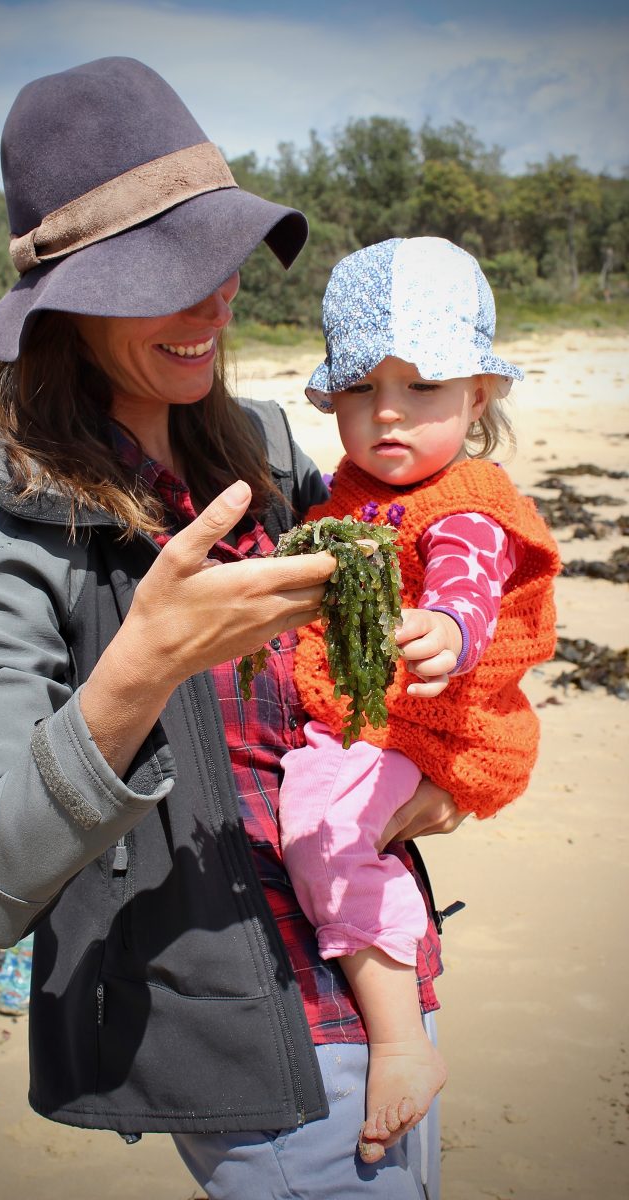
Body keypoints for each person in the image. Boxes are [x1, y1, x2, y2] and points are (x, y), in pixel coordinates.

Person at [0, 58, 453, 1199]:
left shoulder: (260, 446)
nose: (215, 303)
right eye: (170, 274)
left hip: (378, 969)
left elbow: (379, 667)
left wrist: (442, 765)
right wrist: (141, 665)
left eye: (223, 266)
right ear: (70, 300)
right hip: (237, 1026)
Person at [278, 237, 560, 1164]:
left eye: (423, 389)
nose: (387, 413)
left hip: (438, 717)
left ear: (478, 396)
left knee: (325, 824)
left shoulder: (467, 503)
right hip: (383, 715)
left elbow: (467, 581)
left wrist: (446, 628)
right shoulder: (350, 496)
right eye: (361, 389)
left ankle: (399, 1039)